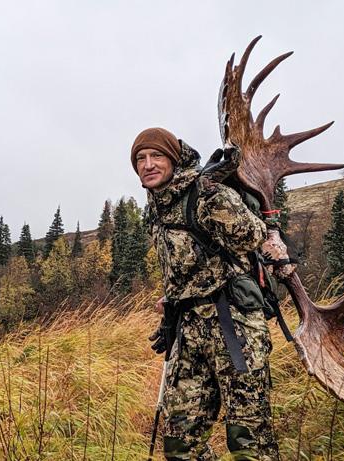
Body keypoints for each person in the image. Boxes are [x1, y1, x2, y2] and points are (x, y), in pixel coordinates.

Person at [133, 127, 285, 460]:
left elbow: (253, 236)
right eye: (140, 159)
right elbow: (181, 268)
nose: (147, 165)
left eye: (156, 156)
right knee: (180, 443)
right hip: (188, 330)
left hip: (234, 326)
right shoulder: (158, 207)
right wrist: (172, 301)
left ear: (173, 159)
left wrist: (220, 203)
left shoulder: (204, 192)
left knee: (250, 441)